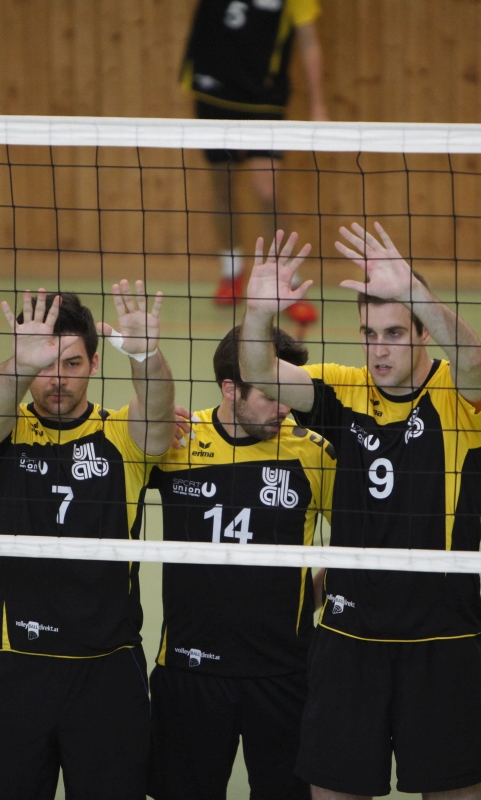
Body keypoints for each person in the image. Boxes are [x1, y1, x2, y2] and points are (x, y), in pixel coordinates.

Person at [240, 225, 481, 799]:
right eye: (369, 334)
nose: (379, 349)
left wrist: (417, 294)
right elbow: (260, 374)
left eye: (395, 333)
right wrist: (257, 314)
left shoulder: (457, 396)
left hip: (443, 635)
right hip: (349, 635)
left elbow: (474, 358)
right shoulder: (343, 390)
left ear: (423, 332)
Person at [0, 283, 177, 799]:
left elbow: (159, 418)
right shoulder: (4, 432)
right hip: (17, 663)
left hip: (107, 670)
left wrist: (146, 356)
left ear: (95, 364)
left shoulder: (122, 435)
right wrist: (20, 363)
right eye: (46, 364)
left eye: (72, 363)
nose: (57, 378)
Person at [147, 325, 334, 800]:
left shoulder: (313, 452)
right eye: (271, 394)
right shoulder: (178, 440)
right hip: (190, 671)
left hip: (285, 675)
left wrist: (307, 597)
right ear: (230, 389)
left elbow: (363, 544)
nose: (285, 406)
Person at [181, 0, 327, 327]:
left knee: (268, 192)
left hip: (264, 99)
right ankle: (231, 272)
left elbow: (309, 42)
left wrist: (318, 105)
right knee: (223, 188)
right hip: (214, 95)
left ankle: (285, 280)